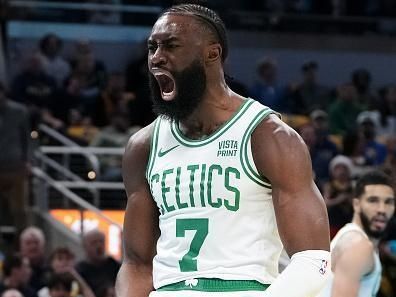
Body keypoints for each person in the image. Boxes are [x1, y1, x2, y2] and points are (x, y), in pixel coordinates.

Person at [116, 4, 330, 297]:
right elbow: (137, 264)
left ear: (212, 54)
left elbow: (313, 262)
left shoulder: (268, 136)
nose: (156, 58)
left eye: (171, 46)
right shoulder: (143, 146)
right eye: (152, 47)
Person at [318, 170, 395, 297]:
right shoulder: (358, 246)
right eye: (373, 200)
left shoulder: (352, 236)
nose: (382, 209)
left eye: (388, 202)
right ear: (356, 204)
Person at [76, 229, 120, 296]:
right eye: (94, 243)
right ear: (85, 246)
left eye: (101, 242)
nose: (99, 246)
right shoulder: (79, 270)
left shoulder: (114, 264)